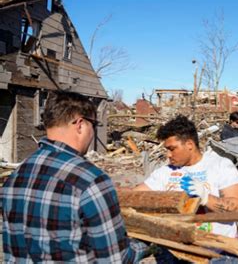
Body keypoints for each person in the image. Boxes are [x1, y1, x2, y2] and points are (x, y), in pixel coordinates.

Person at [2, 91, 147, 263]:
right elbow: (116, 259)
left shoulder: (15, 176)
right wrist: (148, 243)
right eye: (94, 124)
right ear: (80, 124)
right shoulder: (91, 180)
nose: (93, 132)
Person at [134, 115, 238, 239]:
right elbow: (135, 196)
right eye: (166, 150)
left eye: (172, 149)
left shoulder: (220, 166)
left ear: (189, 145)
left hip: (220, 249)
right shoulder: (165, 172)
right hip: (177, 249)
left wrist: (206, 198)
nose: (168, 155)